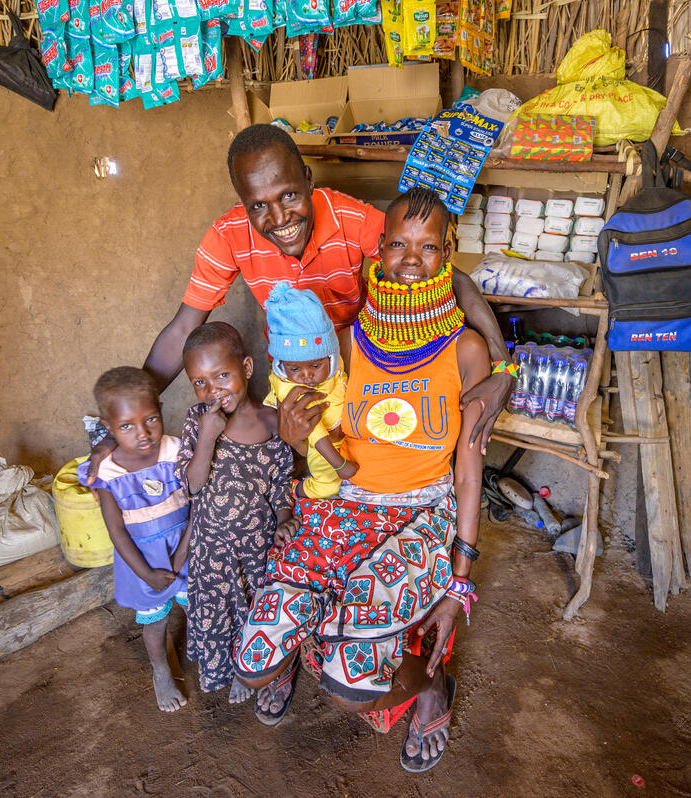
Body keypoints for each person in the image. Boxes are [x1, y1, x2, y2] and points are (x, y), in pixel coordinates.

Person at [81, 124, 513, 483]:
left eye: (288, 195)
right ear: (243, 205)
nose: (280, 218)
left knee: (362, 462)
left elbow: (448, 276)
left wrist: (502, 366)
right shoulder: (227, 236)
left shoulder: (351, 217)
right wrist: (125, 420)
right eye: (259, 206)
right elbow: (181, 331)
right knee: (291, 475)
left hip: (361, 368)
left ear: (308, 180)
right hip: (290, 377)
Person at [234, 188, 491, 772]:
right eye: (397, 243)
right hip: (342, 507)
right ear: (378, 249)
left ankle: (432, 689)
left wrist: (459, 582)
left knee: (352, 683)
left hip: (419, 514)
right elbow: (318, 441)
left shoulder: (469, 350)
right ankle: (308, 639)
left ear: (448, 252)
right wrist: (297, 441)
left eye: (428, 247)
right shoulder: (347, 342)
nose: (409, 258)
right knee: (253, 661)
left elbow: (469, 474)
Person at [178, 322, 296, 714]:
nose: (212, 391)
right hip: (211, 547)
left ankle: (252, 673)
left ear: (246, 368)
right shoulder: (198, 421)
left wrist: (282, 519)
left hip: (255, 547)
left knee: (253, 610)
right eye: (200, 383)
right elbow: (192, 486)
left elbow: (280, 486)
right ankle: (227, 671)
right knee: (217, 612)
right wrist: (208, 436)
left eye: (222, 376)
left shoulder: (273, 423)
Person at [78, 367, 190, 713]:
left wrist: (182, 554)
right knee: (155, 622)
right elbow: (117, 532)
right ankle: (160, 671)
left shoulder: (177, 450)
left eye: (151, 419)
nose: (143, 434)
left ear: (160, 408)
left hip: (186, 547)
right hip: (142, 561)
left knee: (200, 608)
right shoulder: (107, 473)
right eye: (127, 426)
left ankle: (213, 654)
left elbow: (198, 504)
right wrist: (148, 575)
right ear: (108, 430)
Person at [261, 281, 355, 499]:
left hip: (347, 436)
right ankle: (290, 490)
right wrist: (339, 464)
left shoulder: (334, 362)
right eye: (294, 368)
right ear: (281, 364)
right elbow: (315, 431)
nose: (306, 376)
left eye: (315, 366)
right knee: (327, 487)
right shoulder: (289, 386)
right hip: (323, 448)